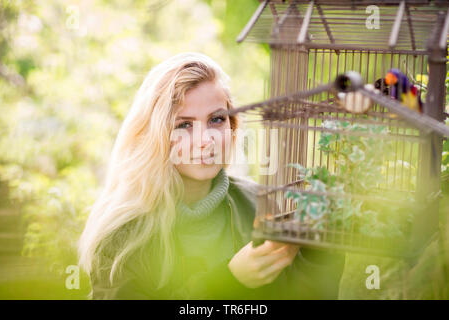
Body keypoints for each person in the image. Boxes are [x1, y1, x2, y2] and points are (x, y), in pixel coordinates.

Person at [78, 52, 345, 300]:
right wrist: (229, 281)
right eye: (184, 125)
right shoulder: (122, 237)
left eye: (216, 119)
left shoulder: (264, 205)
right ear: (156, 135)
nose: (205, 141)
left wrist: (319, 249)